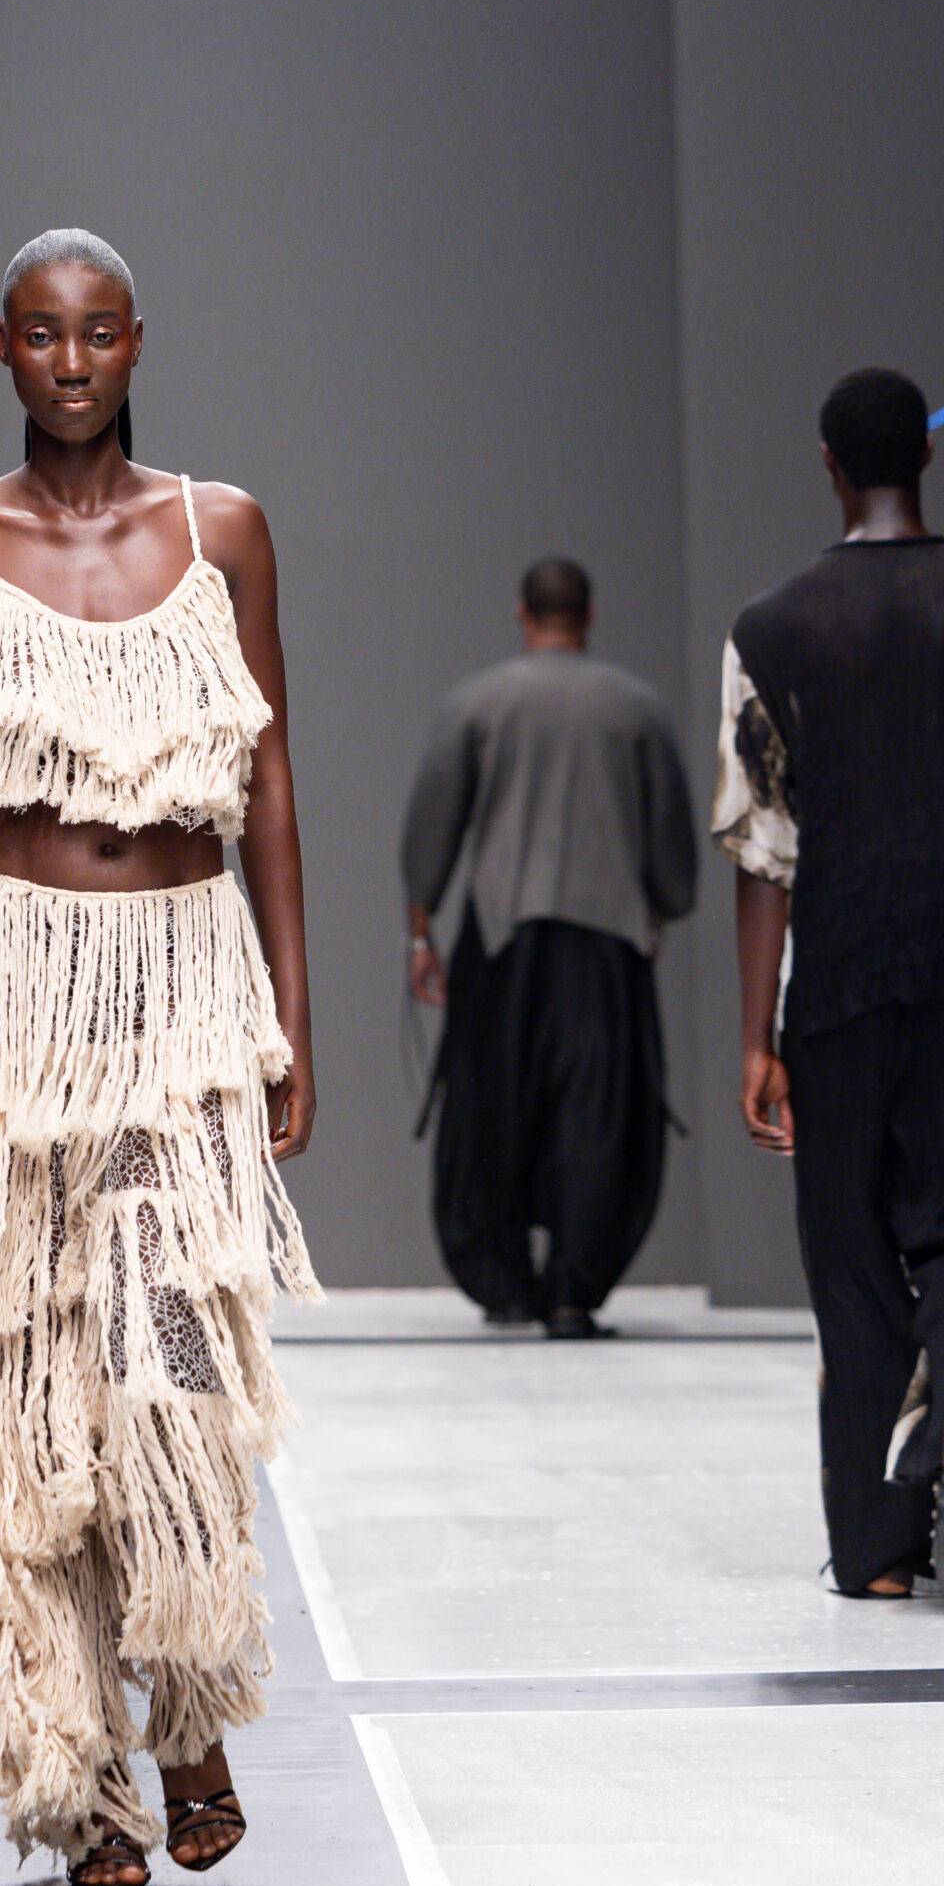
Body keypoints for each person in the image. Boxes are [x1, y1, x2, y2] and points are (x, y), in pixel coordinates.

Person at [0, 228, 319, 1886]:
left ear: (134, 342)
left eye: (98, 334)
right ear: (0, 344)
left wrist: (292, 1017)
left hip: (180, 987)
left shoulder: (221, 531)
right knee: (27, 1380)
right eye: (42, 336)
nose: (70, 364)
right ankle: (82, 1778)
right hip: (5, 994)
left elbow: (268, 782)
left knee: (163, 1356)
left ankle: (186, 1712)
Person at [716, 366, 944, 1604]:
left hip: (840, 980)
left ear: (830, 466)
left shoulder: (771, 629)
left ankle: (879, 1550)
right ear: (928, 457)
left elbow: (762, 847)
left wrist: (757, 1035)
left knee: (851, 1260)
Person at [402, 558, 696, 1335]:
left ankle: (502, 1285)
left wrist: (421, 933)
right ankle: (572, 1290)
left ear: (521, 611)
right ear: (587, 614)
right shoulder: (636, 708)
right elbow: (670, 842)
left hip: (501, 937)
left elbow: (431, 829)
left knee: (490, 1108)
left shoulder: (477, 702)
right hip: (607, 940)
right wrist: (661, 908)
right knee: (597, 1118)